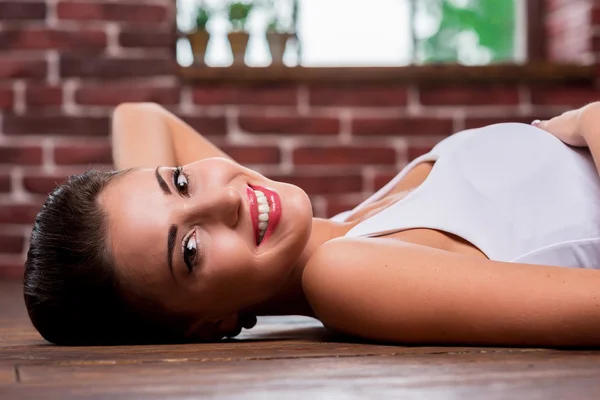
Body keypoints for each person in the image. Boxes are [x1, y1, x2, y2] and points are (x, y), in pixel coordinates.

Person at [23, 101, 600, 347]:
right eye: (191, 251)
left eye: (177, 180)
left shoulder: (344, 225)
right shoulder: (345, 272)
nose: (221, 202)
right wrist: (589, 121)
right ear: (209, 324)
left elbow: (139, 114)